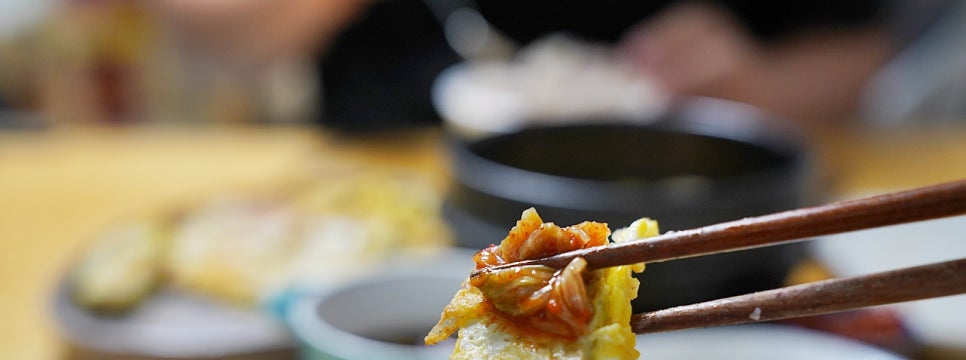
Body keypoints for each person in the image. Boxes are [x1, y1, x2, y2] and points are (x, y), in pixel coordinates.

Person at [153, 0, 900, 131]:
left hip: (689, 201)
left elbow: (858, 57)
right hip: (398, 204)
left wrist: (758, 87)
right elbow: (206, 35)